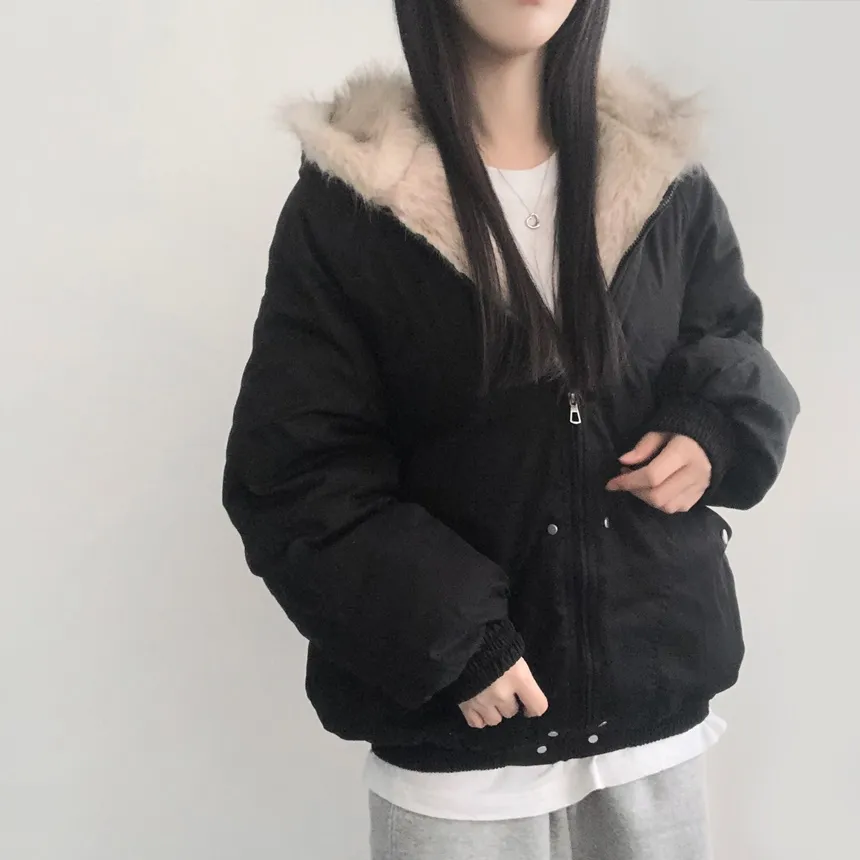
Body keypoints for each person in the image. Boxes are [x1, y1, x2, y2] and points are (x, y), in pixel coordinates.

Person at [222, 1, 800, 857]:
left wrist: (711, 428)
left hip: (653, 731)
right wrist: (456, 638)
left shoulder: (661, 175)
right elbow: (295, 471)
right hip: (466, 757)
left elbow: (729, 341)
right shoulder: (350, 206)